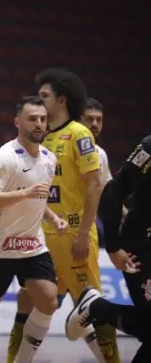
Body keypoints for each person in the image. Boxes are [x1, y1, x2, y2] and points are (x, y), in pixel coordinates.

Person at [6, 69, 120, 363]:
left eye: (45, 96)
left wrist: (84, 232)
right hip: (41, 237)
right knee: (28, 299)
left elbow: (96, 185)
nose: (39, 102)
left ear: (62, 100)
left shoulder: (79, 134)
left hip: (73, 236)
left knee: (93, 307)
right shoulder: (38, 138)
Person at [0, 96, 66, 363]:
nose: (39, 123)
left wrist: (52, 219)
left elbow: (38, 200)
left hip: (32, 246)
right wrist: (26, 193)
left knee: (49, 302)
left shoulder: (49, 159)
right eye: (32, 118)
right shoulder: (4, 157)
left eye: (42, 118)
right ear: (18, 122)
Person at [65, 134, 151, 363]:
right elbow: (113, 193)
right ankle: (98, 308)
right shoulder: (150, 148)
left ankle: (98, 308)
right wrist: (113, 247)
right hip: (142, 246)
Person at [80, 97, 129, 222]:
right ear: (78, 121)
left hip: (89, 219)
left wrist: (127, 216)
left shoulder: (100, 154)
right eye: (90, 119)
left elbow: (107, 192)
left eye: (99, 120)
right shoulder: (63, 149)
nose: (95, 124)